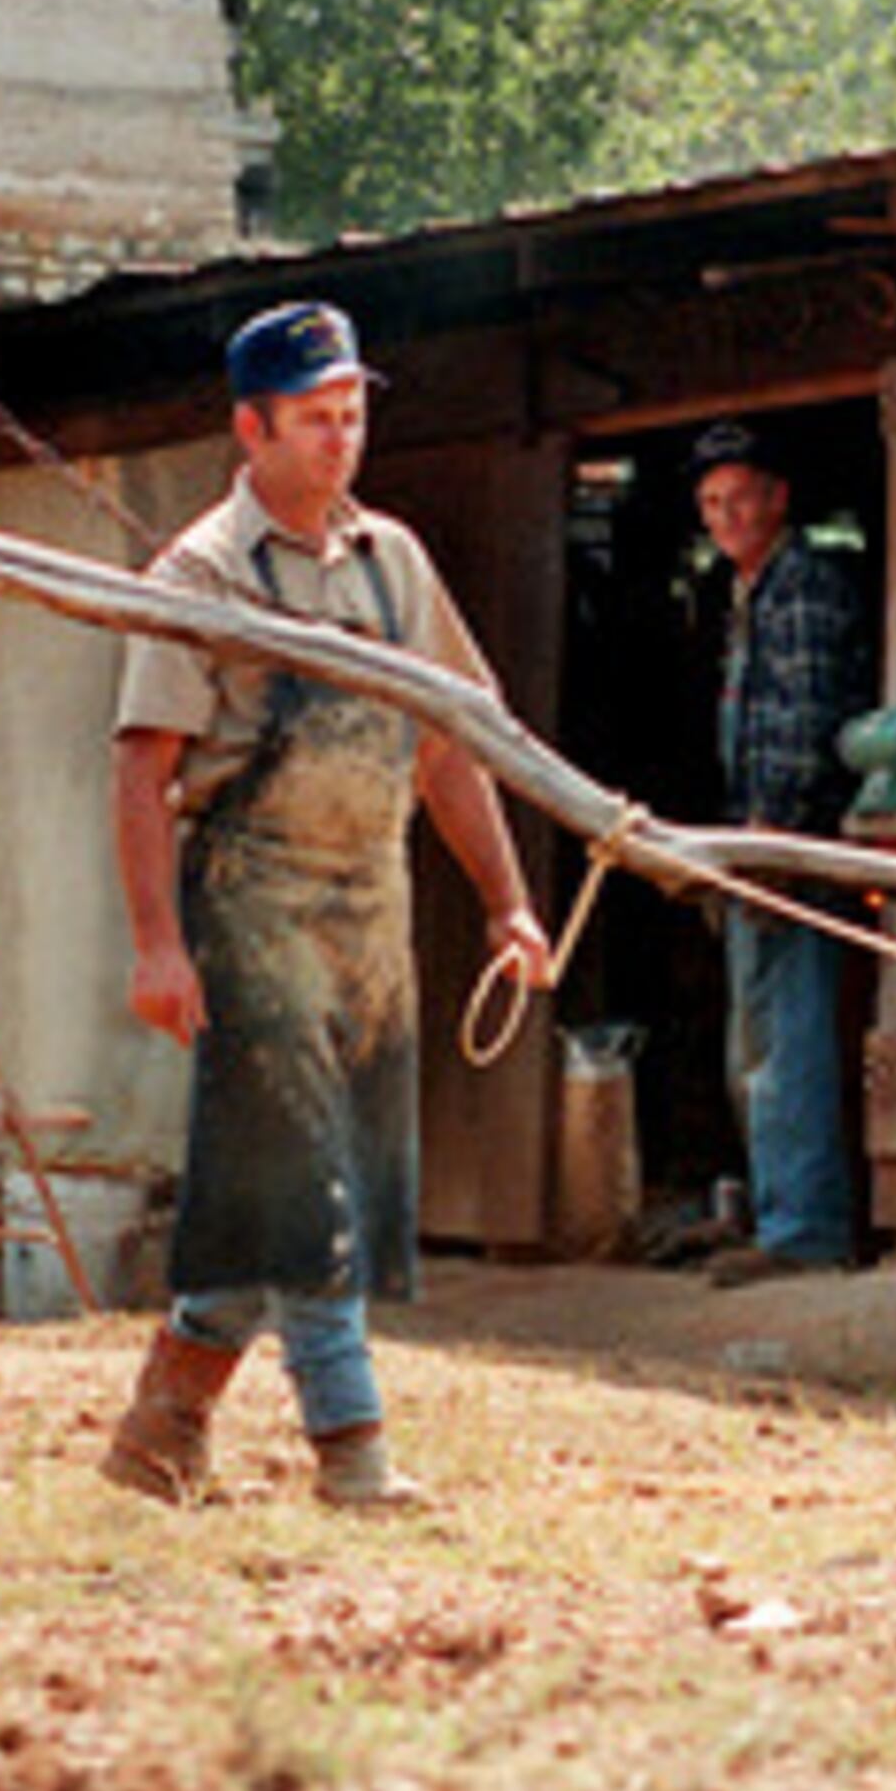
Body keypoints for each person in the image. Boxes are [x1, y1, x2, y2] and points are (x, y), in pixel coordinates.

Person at [101, 299, 552, 1511]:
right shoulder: (197, 574)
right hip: (248, 908)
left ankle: (164, 1422)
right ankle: (353, 1454)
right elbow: (141, 772)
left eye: (352, 414)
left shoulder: (394, 563)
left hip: (372, 909)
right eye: (314, 418)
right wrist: (157, 946)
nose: (340, 437)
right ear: (251, 428)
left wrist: (508, 903)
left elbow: (448, 750)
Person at [689, 420, 877, 1288]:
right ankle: (778, 1211)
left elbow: (805, 718)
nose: (727, 516)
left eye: (741, 498)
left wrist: (773, 831)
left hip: (792, 846)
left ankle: (805, 1228)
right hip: (757, 840)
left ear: (778, 499)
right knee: (758, 1036)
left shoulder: (802, 586)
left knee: (789, 1034)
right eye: (713, 503)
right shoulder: (749, 591)